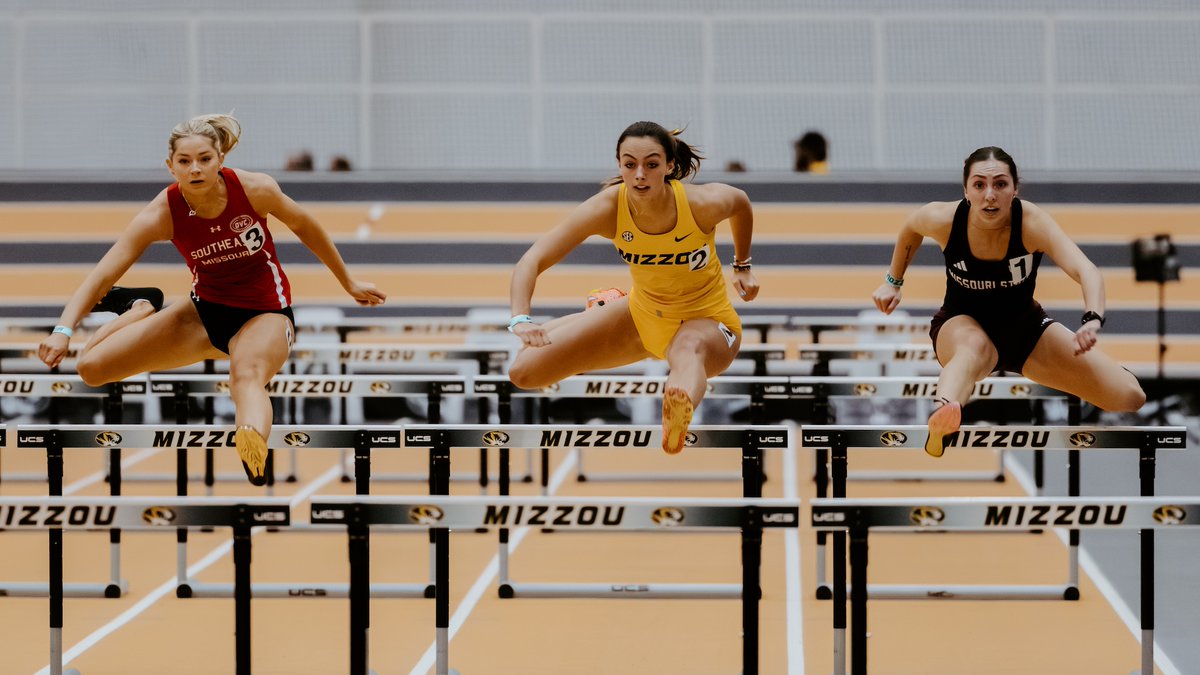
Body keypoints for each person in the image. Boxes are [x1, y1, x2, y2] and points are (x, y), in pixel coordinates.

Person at [37, 113, 387, 485]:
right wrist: (63, 329)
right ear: (170, 167)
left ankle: (252, 442)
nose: (196, 169)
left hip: (264, 314)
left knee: (247, 376)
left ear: (220, 159)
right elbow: (102, 275)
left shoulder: (254, 189)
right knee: (91, 369)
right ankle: (140, 307)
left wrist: (346, 280)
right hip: (201, 315)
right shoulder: (161, 214)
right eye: (185, 162)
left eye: (204, 159)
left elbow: (305, 225)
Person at [871, 146, 1145, 457]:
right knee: (973, 348)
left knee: (1129, 396)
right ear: (966, 190)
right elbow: (910, 229)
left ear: (1015, 189)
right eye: (979, 185)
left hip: (1025, 331)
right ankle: (942, 414)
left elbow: (1086, 270)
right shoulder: (944, 219)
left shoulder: (1032, 223)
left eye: (1000, 184)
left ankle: (949, 409)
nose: (990, 195)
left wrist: (1092, 319)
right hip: (960, 323)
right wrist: (893, 281)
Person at [507, 121, 759, 454]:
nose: (640, 174)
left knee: (687, 349)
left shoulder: (702, 203)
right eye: (630, 164)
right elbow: (532, 259)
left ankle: (676, 415)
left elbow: (740, 203)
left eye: (651, 165)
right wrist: (521, 318)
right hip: (643, 318)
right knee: (523, 372)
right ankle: (604, 308)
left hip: (710, 324)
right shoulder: (607, 208)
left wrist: (742, 266)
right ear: (620, 166)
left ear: (669, 166)